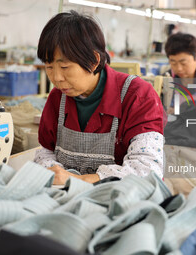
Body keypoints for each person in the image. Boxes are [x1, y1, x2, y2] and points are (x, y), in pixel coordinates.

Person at [34, 11, 164, 184]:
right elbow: (45, 151)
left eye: (64, 67)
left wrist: (77, 181)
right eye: (49, 67)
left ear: (94, 60)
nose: (56, 78)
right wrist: (53, 172)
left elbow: (147, 169)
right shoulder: (58, 98)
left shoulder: (138, 95)